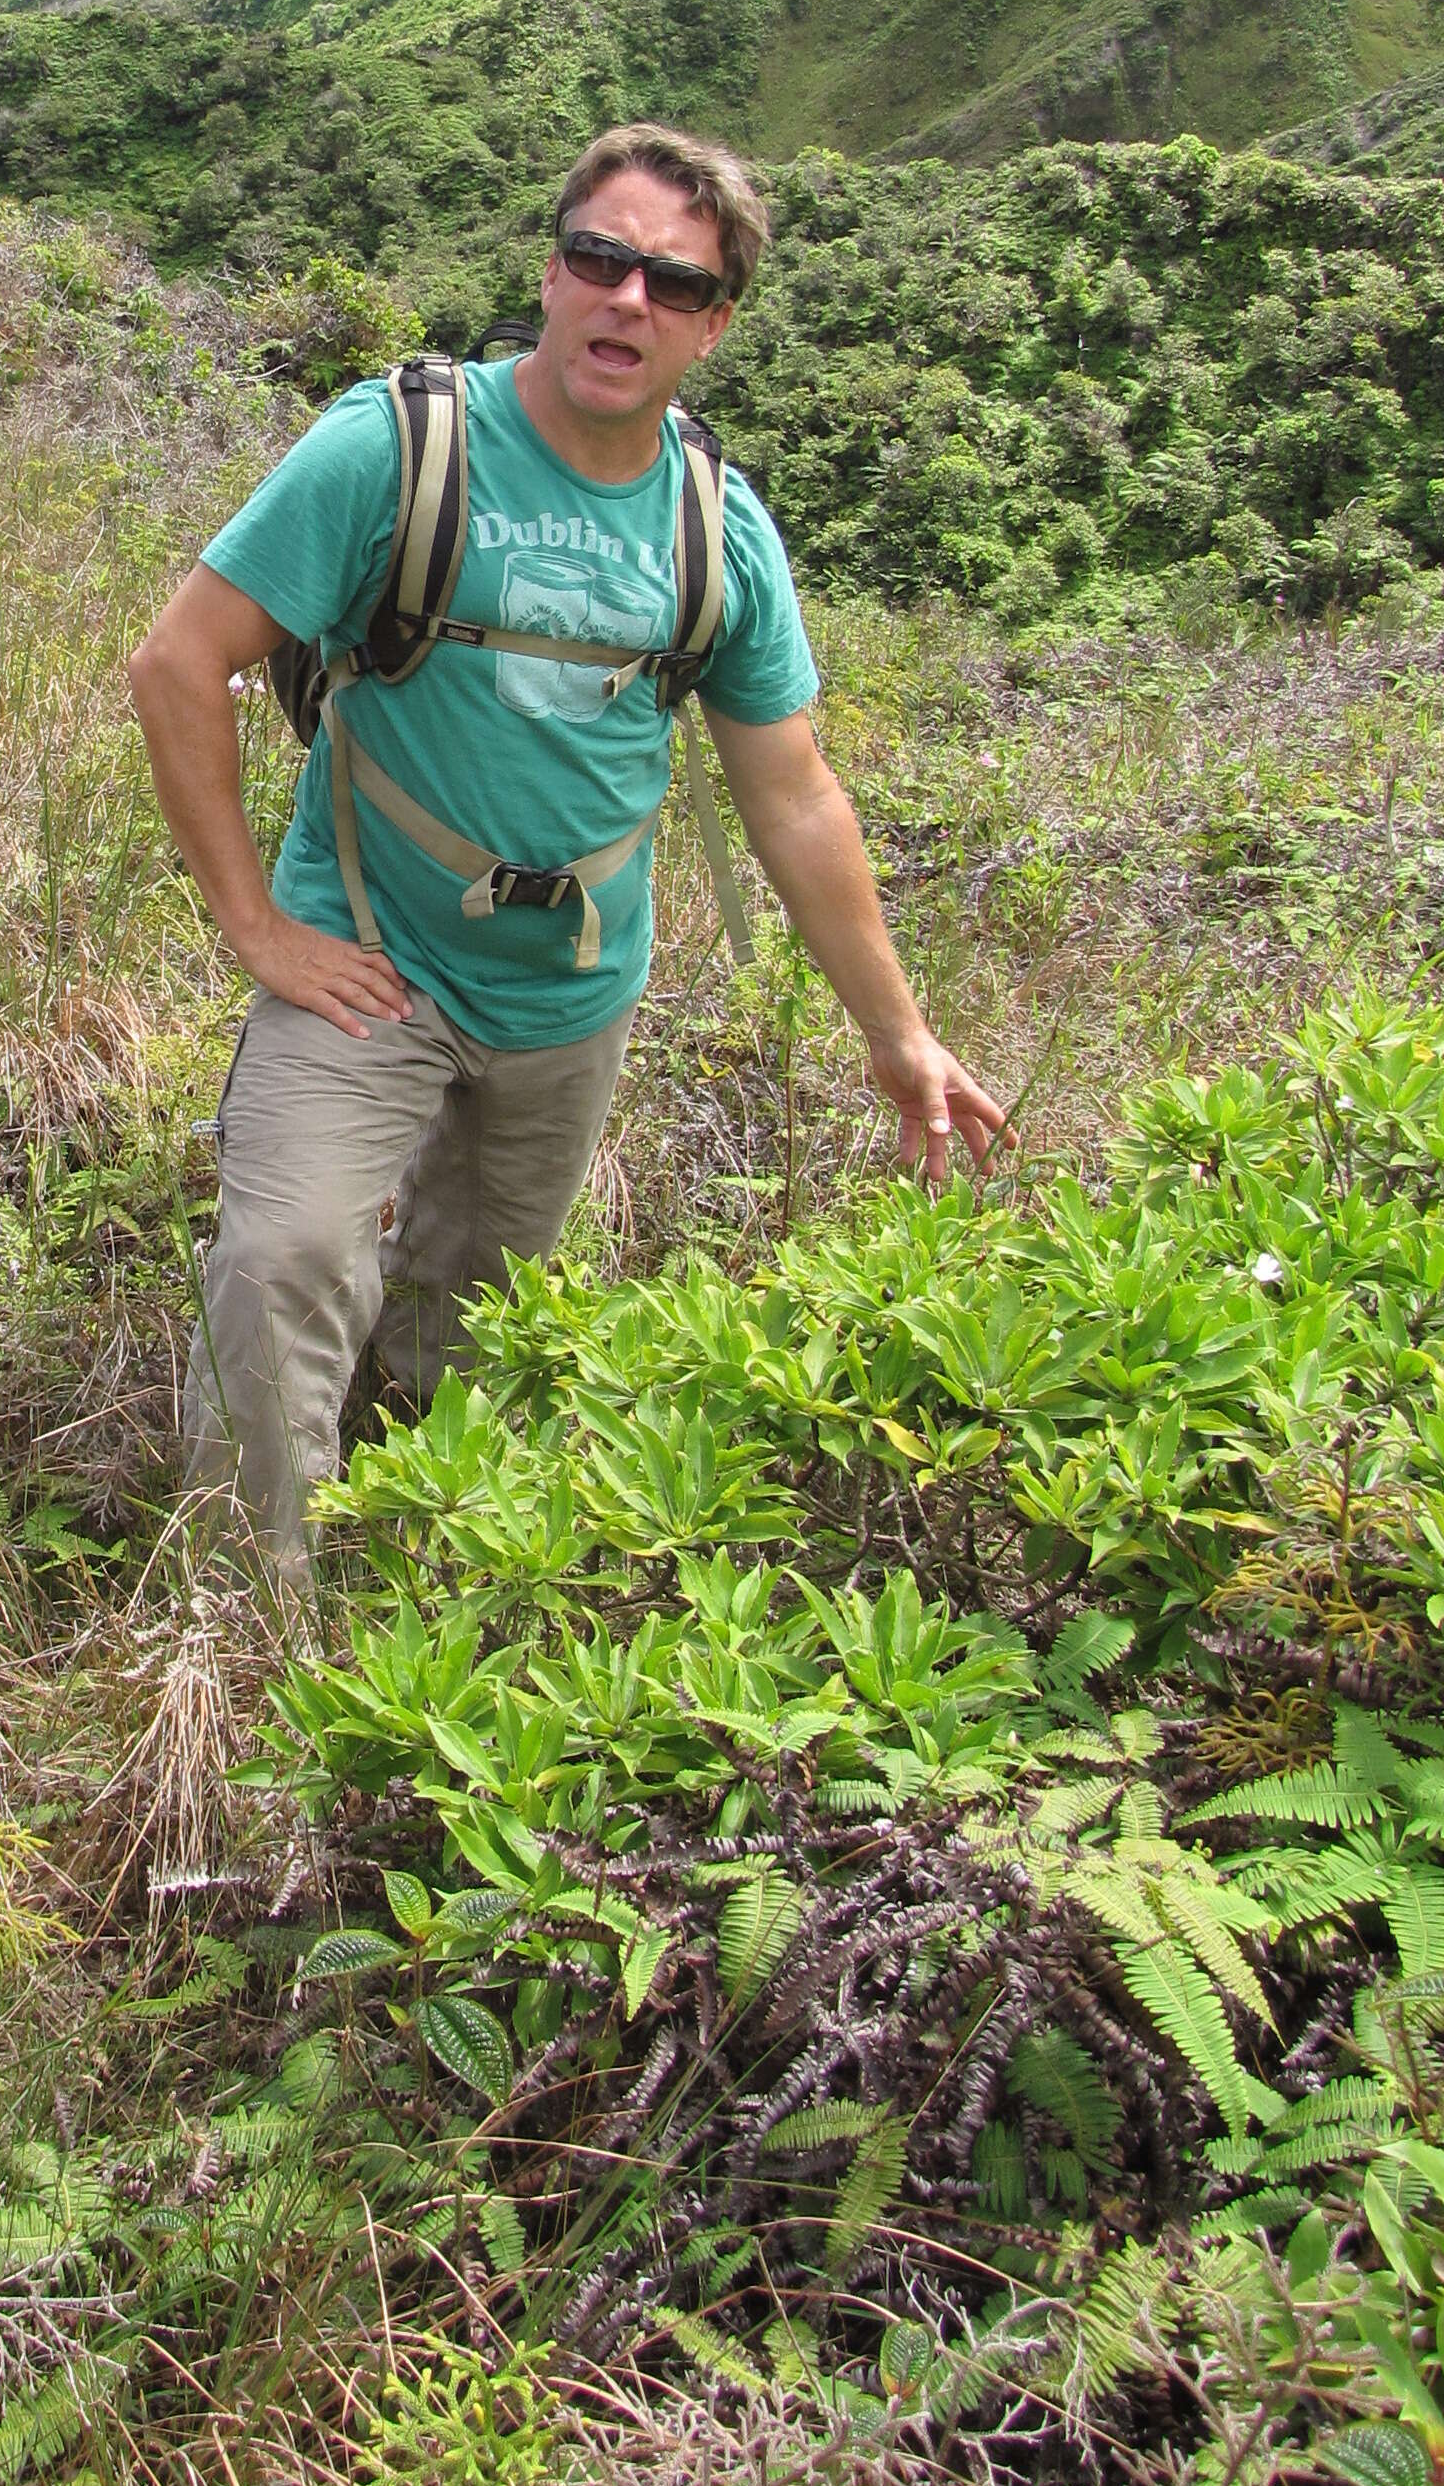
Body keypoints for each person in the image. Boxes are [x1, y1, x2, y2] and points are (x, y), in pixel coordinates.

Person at [127, 123, 1005, 1584]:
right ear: (550, 271)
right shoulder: (398, 449)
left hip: (572, 995)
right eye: (600, 259)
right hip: (368, 962)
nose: (627, 302)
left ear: (714, 327)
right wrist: (253, 929)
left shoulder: (716, 528)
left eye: (674, 282)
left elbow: (793, 797)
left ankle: (412, 1554)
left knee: (475, 1314)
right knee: (285, 1259)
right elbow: (179, 663)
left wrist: (900, 1038)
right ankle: (254, 1619)